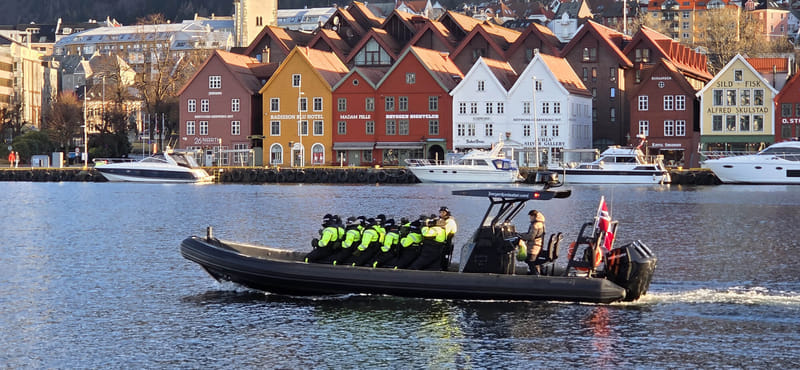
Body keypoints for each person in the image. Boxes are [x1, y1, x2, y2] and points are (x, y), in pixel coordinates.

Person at [521, 209, 546, 275]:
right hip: (539, 245)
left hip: (534, 246)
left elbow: (531, 237)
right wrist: (522, 234)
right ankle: (540, 271)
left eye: (530, 216)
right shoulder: (541, 224)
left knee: (529, 260)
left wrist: (521, 237)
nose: (530, 218)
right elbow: (530, 234)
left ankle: (535, 274)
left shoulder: (535, 225)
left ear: (534, 216)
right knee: (533, 261)